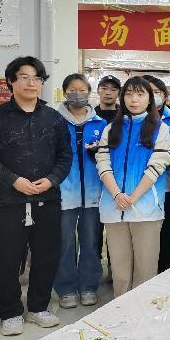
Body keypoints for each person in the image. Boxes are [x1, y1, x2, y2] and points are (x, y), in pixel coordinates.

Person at [0, 56, 72, 336]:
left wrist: (51, 180)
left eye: (37, 78)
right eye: (25, 77)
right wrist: (14, 181)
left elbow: (65, 156)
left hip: (47, 200)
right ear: (11, 81)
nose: (32, 83)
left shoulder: (53, 118)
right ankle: (10, 312)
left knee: (46, 256)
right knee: (7, 258)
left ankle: (39, 307)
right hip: (7, 201)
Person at [96, 76, 170, 296]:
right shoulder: (111, 129)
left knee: (145, 269)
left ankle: (142, 310)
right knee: (120, 271)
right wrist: (117, 195)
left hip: (146, 209)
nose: (134, 99)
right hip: (114, 207)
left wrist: (133, 197)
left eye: (140, 94)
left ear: (150, 99)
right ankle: (121, 307)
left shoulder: (160, 129)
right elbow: (102, 163)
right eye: (129, 94)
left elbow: (157, 166)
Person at [53, 74, 107, 309]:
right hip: (63, 192)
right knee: (64, 243)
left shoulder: (100, 124)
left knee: (91, 242)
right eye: (73, 89)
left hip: (93, 194)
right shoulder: (54, 121)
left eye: (83, 90)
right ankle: (66, 289)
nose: (78, 94)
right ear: (65, 92)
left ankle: (88, 286)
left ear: (89, 92)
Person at [143, 75, 170, 272]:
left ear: (165, 96)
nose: (153, 96)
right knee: (147, 231)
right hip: (142, 185)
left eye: (157, 92)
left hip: (169, 184)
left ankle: (168, 268)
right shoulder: (134, 119)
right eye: (148, 92)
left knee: (167, 230)